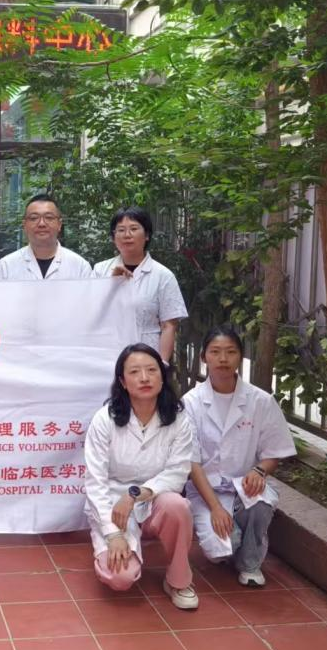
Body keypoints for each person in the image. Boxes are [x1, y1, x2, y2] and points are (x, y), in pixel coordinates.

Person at [84, 343, 199, 610]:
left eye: (151, 370)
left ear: (162, 376)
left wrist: (135, 495)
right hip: (112, 505)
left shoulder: (178, 419)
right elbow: (95, 481)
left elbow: (177, 473)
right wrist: (113, 534)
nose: (145, 378)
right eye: (135, 372)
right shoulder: (105, 419)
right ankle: (113, 546)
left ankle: (179, 580)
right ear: (123, 382)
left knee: (177, 506)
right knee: (120, 578)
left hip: (153, 500)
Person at [184, 326, 296, 587]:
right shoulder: (191, 402)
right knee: (221, 549)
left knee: (260, 505)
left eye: (231, 352)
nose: (223, 359)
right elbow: (192, 462)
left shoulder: (261, 401)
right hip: (208, 490)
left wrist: (259, 471)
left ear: (240, 356)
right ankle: (233, 541)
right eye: (215, 352)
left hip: (246, 486)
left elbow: (274, 450)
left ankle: (250, 564)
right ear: (203, 357)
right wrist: (215, 508)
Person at [93, 207, 188, 364]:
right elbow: (93, 314)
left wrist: (161, 364)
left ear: (147, 235)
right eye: (121, 230)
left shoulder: (163, 275)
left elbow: (168, 326)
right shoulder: (100, 270)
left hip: (147, 356)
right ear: (113, 237)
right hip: (108, 356)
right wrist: (111, 284)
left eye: (134, 229)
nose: (127, 235)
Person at [0, 194, 93, 280]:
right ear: (24, 225)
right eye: (34, 218)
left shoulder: (80, 267)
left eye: (49, 217)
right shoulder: (6, 267)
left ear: (59, 224)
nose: (41, 224)